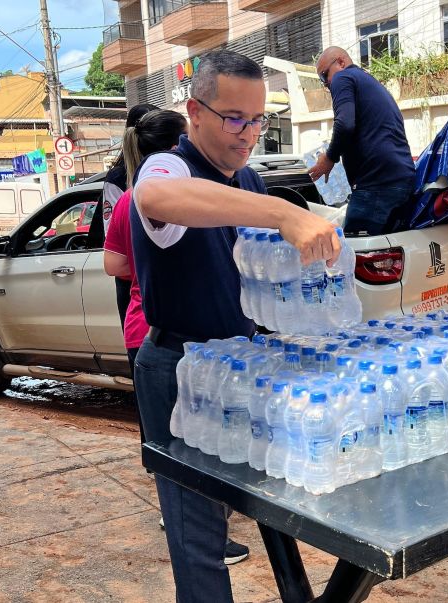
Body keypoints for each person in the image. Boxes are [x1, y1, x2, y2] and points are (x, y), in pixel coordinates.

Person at [130, 50, 340, 602]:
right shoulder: (168, 167)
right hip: (181, 366)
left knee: (274, 502)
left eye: (258, 119)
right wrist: (283, 213)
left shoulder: (247, 176)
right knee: (197, 529)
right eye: (233, 118)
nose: (247, 134)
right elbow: (154, 198)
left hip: (246, 361)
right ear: (193, 111)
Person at [103, 109, 187, 426]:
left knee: (158, 442)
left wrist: (142, 266)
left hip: (143, 330)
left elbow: (114, 264)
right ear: (177, 147)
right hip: (183, 336)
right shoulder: (196, 193)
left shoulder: (128, 197)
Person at [308, 46, 416, 236]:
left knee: (352, 255)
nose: (326, 85)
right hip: (401, 181)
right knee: (384, 256)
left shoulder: (343, 78)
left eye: (325, 76)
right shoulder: (369, 82)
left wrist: (329, 158)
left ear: (341, 62)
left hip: (376, 186)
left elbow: (344, 124)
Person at [102, 103, 159, 330]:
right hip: (135, 285)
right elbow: (115, 247)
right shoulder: (118, 178)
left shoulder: (175, 173)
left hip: (140, 284)